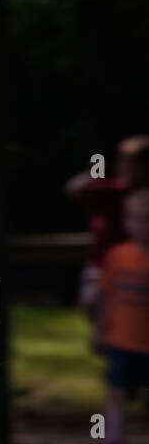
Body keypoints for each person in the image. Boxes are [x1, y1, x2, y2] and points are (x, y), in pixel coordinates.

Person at [83, 189, 149, 444]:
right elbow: (106, 297)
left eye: (145, 220)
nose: (139, 226)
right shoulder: (117, 255)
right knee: (116, 395)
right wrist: (101, 331)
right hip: (123, 341)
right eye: (133, 219)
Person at [66, 135, 149, 324]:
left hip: (139, 268)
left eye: (134, 163)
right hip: (101, 263)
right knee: (95, 306)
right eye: (124, 162)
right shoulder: (111, 190)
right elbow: (75, 189)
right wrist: (93, 173)